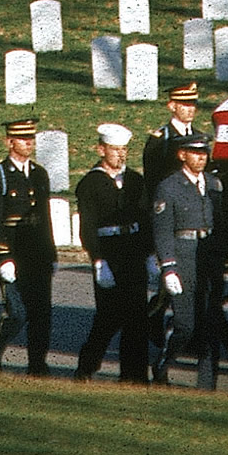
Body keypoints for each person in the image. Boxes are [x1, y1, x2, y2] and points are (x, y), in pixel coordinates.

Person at [73, 123, 154, 383]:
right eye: (115, 150)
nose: (121, 155)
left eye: (124, 150)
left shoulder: (134, 181)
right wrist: (97, 260)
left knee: (138, 316)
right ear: (101, 150)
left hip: (133, 251)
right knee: (109, 315)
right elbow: (88, 226)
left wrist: (149, 252)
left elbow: (144, 218)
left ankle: (135, 376)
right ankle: (87, 366)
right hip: (109, 252)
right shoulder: (91, 183)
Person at [152, 132, 228, 389]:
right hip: (184, 255)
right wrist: (169, 266)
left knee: (211, 323)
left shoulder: (214, 185)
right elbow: (163, 229)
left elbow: (222, 225)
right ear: (182, 155)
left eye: (204, 153)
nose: (201, 158)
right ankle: (163, 364)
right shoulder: (169, 186)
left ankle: (207, 385)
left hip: (208, 258)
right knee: (185, 324)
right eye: (195, 153)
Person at [0, 118, 58, 375]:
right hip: (13, 252)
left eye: (31, 138)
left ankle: (37, 363)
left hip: (37, 251)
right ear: (9, 142)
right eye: (23, 138)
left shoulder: (39, 174)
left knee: (42, 312)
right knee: (17, 312)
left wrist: (51, 253)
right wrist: (2, 256)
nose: (29, 143)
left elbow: (44, 217)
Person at [141, 82, 201, 192]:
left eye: (193, 104)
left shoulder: (198, 136)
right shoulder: (160, 139)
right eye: (185, 105)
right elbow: (152, 177)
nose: (191, 109)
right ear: (172, 106)